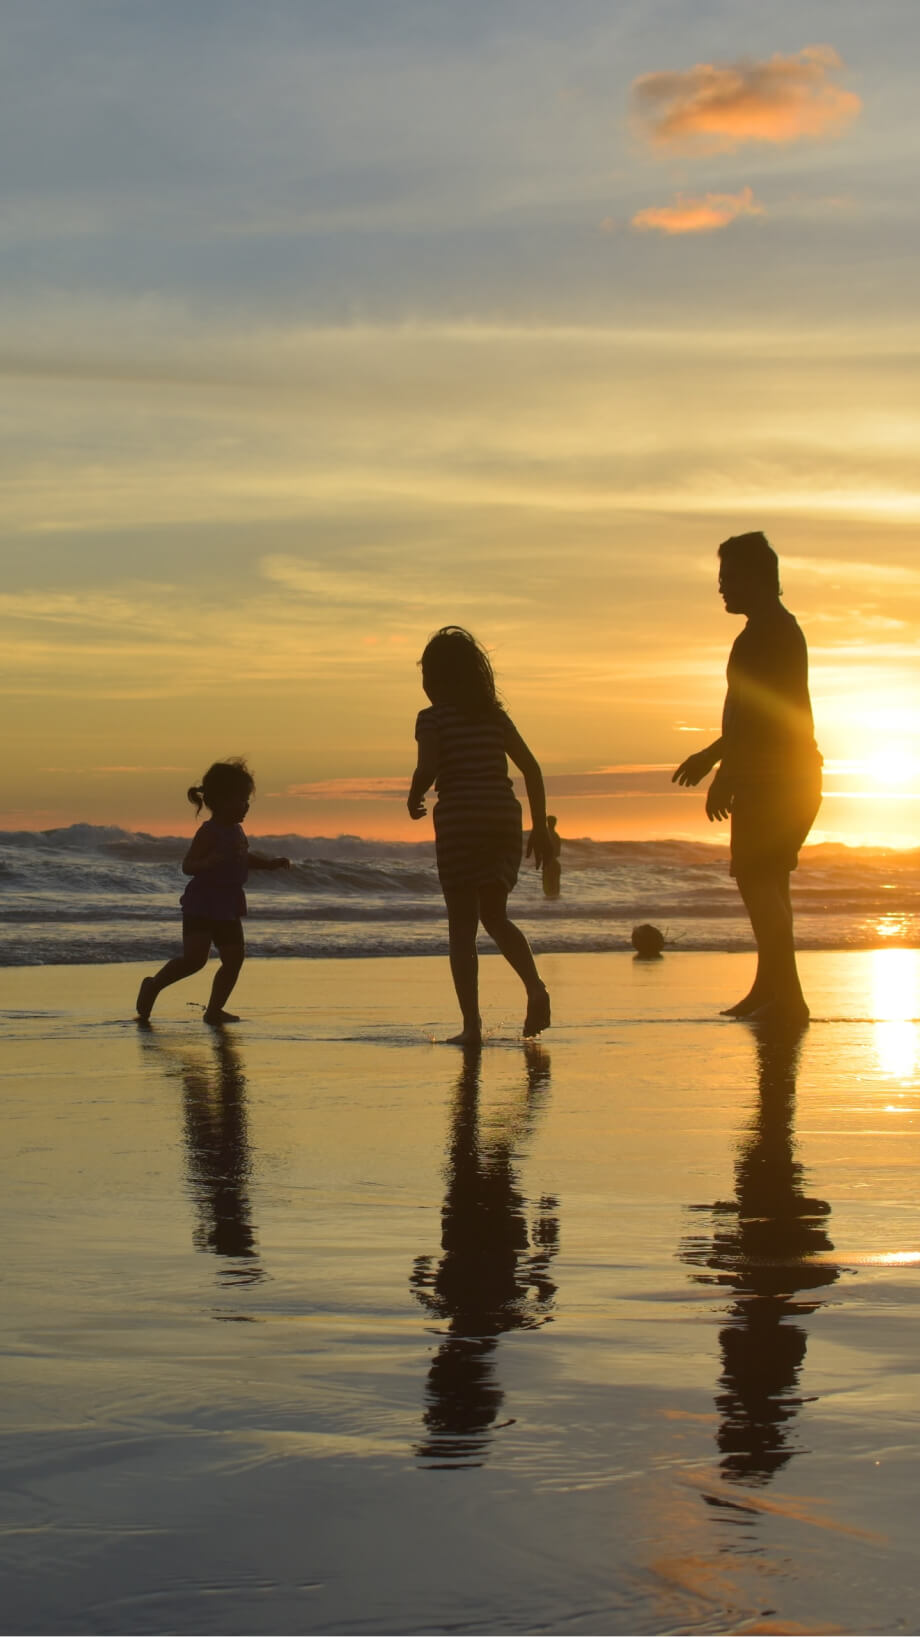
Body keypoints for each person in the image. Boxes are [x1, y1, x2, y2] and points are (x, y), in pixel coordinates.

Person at [672, 532, 822, 1024]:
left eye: (730, 577)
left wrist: (721, 769)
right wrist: (719, 759)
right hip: (785, 776)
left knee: (759, 882)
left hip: (776, 778)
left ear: (760, 579)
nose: (721, 587)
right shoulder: (769, 630)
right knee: (769, 883)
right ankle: (772, 989)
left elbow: (759, 718)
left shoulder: (768, 635)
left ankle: (789, 1000)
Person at [408, 626, 551, 1045]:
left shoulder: (431, 718)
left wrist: (415, 794)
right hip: (501, 819)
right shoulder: (494, 716)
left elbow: (428, 766)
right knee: (495, 916)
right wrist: (540, 827)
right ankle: (536, 987)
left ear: (435, 680)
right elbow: (533, 769)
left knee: (461, 927)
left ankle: (472, 1026)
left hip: (460, 822)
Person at [135, 759, 290, 1025]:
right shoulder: (209, 832)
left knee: (234, 959)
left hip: (229, 904)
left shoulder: (237, 830)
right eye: (242, 799)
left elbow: (243, 857)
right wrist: (210, 861)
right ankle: (153, 985)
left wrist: (268, 864)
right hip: (203, 903)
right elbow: (188, 865)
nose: (247, 806)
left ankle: (214, 1010)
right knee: (194, 960)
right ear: (221, 801)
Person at [541, 815, 562, 899]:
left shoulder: (545, 834)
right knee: (555, 889)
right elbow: (558, 853)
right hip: (554, 863)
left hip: (548, 863)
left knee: (548, 888)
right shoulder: (556, 835)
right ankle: (553, 907)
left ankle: (549, 908)